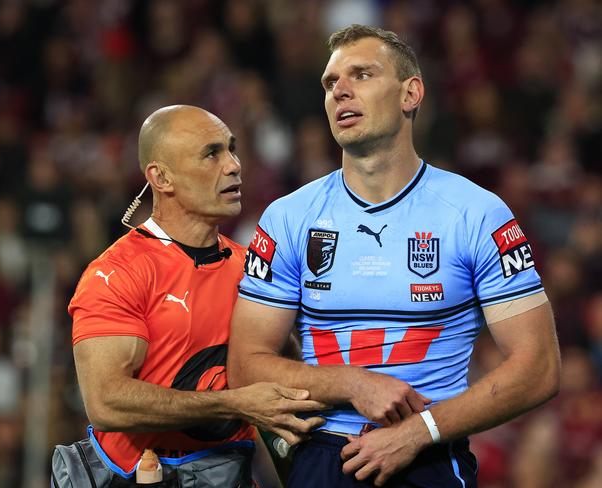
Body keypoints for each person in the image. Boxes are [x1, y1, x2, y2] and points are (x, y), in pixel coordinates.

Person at [227, 25, 560, 487]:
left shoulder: (477, 214)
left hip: (429, 457)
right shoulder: (287, 218)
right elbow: (245, 366)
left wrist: (418, 432)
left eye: (361, 75)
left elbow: (539, 367)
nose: (340, 91)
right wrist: (352, 384)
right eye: (330, 83)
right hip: (323, 460)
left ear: (411, 94)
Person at [67, 105, 326, 487]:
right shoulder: (116, 272)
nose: (234, 165)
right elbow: (106, 402)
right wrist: (233, 403)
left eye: (232, 149)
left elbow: (283, 379)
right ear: (161, 177)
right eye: (211, 153)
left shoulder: (251, 269)